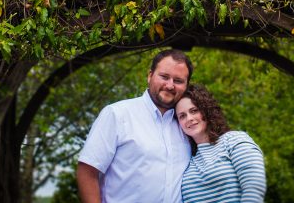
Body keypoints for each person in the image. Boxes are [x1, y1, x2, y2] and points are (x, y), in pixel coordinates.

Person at [77, 49, 193, 203]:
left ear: (186, 85)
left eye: (178, 81)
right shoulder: (117, 114)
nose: (170, 85)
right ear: (150, 76)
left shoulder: (187, 124)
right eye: (164, 77)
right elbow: (87, 171)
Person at [176, 84, 266, 203]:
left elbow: (254, 188)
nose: (189, 118)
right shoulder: (188, 160)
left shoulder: (234, 140)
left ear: (206, 110)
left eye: (194, 111)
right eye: (182, 116)